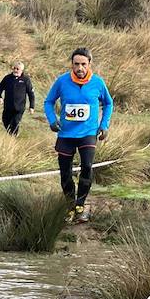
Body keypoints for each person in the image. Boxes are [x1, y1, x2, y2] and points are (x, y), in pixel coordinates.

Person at [43, 47, 113, 222]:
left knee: (87, 167)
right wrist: (52, 120)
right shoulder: (62, 81)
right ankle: (69, 206)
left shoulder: (97, 82)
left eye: (83, 64)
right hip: (66, 134)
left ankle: (80, 204)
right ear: (72, 64)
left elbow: (109, 103)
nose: (80, 68)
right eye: (76, 64)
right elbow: (48, 101)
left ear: (89, 64)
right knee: (65, 172)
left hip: (88, 133)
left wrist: (104, 125)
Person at [0, 61, 35, 135]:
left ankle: (13, 138)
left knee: (15, 122)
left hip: (19, 107)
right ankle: (11, 135)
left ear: (21, 70)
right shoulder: (7, 78)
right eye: (14, 68)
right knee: (5, 120)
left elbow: (31, 94)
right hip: (8, 106)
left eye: (18, 69)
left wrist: (31, 106)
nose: (15, 70)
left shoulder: (26, 79)